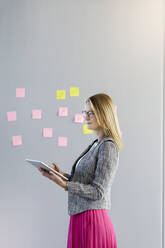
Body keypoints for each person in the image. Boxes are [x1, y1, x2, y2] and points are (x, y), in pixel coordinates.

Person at [38, 93, 123, 248]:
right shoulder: (96, 144)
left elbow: (98, 191)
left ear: (103, 114)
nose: (86, 117)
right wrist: (60, 175)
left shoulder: (108, 147)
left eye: (91, 113)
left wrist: (64, 185)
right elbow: (85, 181)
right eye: (85, 112)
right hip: (80, 218)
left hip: (92, 220)